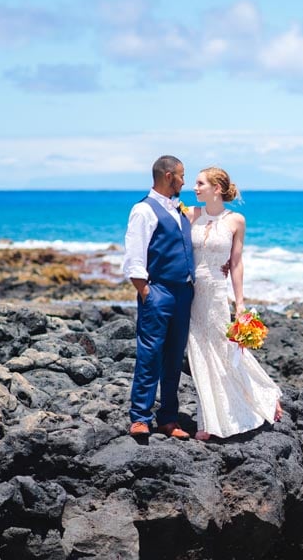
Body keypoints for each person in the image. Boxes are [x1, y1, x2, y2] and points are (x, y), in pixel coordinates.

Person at [186, 167, 283, 441]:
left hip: (216, 294)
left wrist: (240, 304)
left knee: (224, 350)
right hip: (190, 294)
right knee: (198, 354)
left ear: (217, 188)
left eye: (200, 183)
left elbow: (237, 263)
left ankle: (265, 394)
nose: (195, 188)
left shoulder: (236, 221)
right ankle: (208, 420)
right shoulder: (190, 214)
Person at [122, 155, 194, 439]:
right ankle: (140, 417)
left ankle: (168, 418)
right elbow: (134, 255)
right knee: (150, 354)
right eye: (181, 175)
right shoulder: (143, 210)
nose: (184, 181)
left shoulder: (180, 210)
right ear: (168, 176)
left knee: (175, 357)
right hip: (159, 291)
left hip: (184, 293)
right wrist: (145, 291)